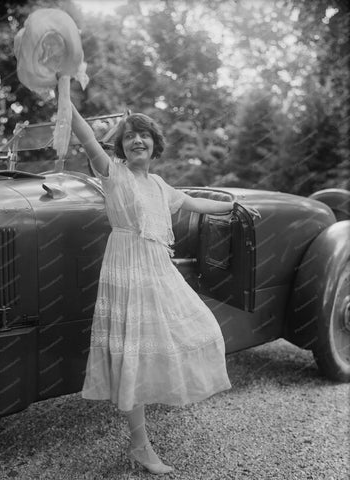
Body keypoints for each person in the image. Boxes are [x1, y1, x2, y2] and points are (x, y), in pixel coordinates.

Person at [69, 100, 255, 475]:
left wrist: (237, 205)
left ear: (155, 144)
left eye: (145, 135)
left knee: (200, 327)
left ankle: (155, 411)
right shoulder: (112, 172)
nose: (138, 140)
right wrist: (64, 95)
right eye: (131, 136)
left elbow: (195, 203)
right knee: (132, 353)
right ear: (121, 146)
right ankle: (140, 445)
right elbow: (87, 138)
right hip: (125, 266)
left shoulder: (158, 185)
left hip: (157, 268)